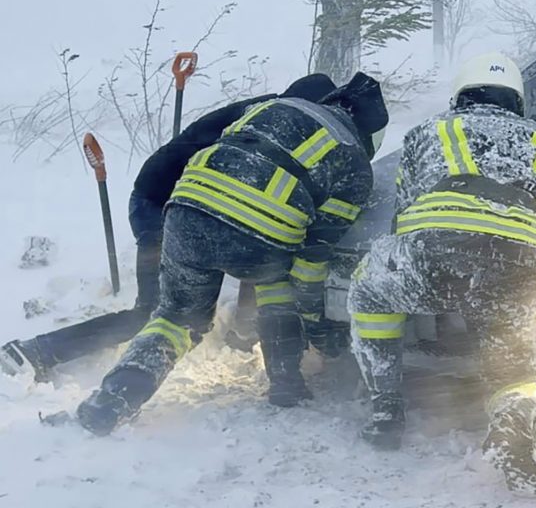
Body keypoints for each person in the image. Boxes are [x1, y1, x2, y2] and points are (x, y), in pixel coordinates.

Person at [74, 71, 388, 435]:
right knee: (277, 282)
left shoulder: (271, 107)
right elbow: (312, 259)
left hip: (185, 212)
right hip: (258, 235)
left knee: (176, 318)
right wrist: (317, 325)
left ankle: (114, 399)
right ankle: (286, 384)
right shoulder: (354, 162)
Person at [348, 52, 536, 497]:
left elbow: (405, 215)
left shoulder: (429, 132)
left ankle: (386, 407)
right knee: (523, 369)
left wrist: (429, 276)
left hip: (439, 249)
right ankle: (514, 423)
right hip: (526, 262)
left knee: (370, 290)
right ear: (517, 100)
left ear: (460, 96)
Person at [0, 75, 338, 382]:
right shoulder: (272, 124)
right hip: (162, 207)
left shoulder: (270, 115)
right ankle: (36, 351)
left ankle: (241, 333)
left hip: (196, 206)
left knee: (257, 244)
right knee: (154, 313)